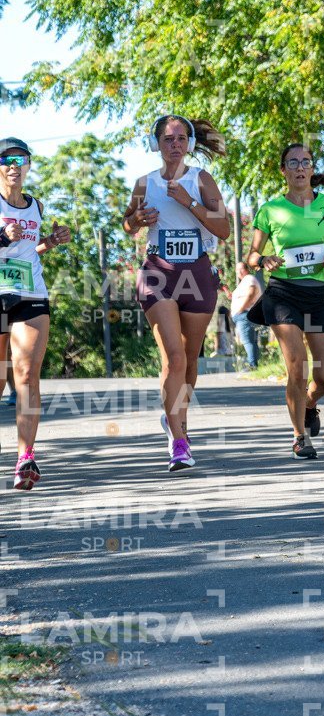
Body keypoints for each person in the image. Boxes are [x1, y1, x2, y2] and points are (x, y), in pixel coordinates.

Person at [123, 115, 230, 472]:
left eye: (181, 138)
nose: (175, 145)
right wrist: (138, 221)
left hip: (197, 273)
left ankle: (175, 417)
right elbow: (127, 224)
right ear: (157, 144)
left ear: (190, 143)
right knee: (173, 359)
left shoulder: (200, 179)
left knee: (190, 360)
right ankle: (178, 442)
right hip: (159, 274)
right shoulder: (144, 183)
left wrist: (188, 202)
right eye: (168, 139)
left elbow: (224, 229)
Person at [246, 143, 324, 460]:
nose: (300, 167)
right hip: (284, 293)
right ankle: (299, 437)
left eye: (306, 161)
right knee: (297, 368)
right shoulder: (270, 210)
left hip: (321, 295)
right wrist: (264, 260)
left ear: (313, 169)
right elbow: (251, 256)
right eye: (293, 162)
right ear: (284, 170)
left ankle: (310, 406)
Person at [0, 137, 72, 489]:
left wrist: (52, 242)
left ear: (28, 165)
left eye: (20, 159)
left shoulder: (35, 206)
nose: (14, 165)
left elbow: (31, 247)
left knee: (27, 373)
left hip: (30, 294)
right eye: (6, 159)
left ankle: (25, 456)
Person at [231, 260, 262, 368]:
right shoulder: (244, 281)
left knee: (247, 341)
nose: (239, 272)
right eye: (237, 269)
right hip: (244, 314)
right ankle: (255, 364)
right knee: (251, 341)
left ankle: (252, 365)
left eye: (241, 269)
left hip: (245, 314)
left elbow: (251, 293)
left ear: (247, 269)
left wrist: (241, 309)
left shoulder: (249, 279)